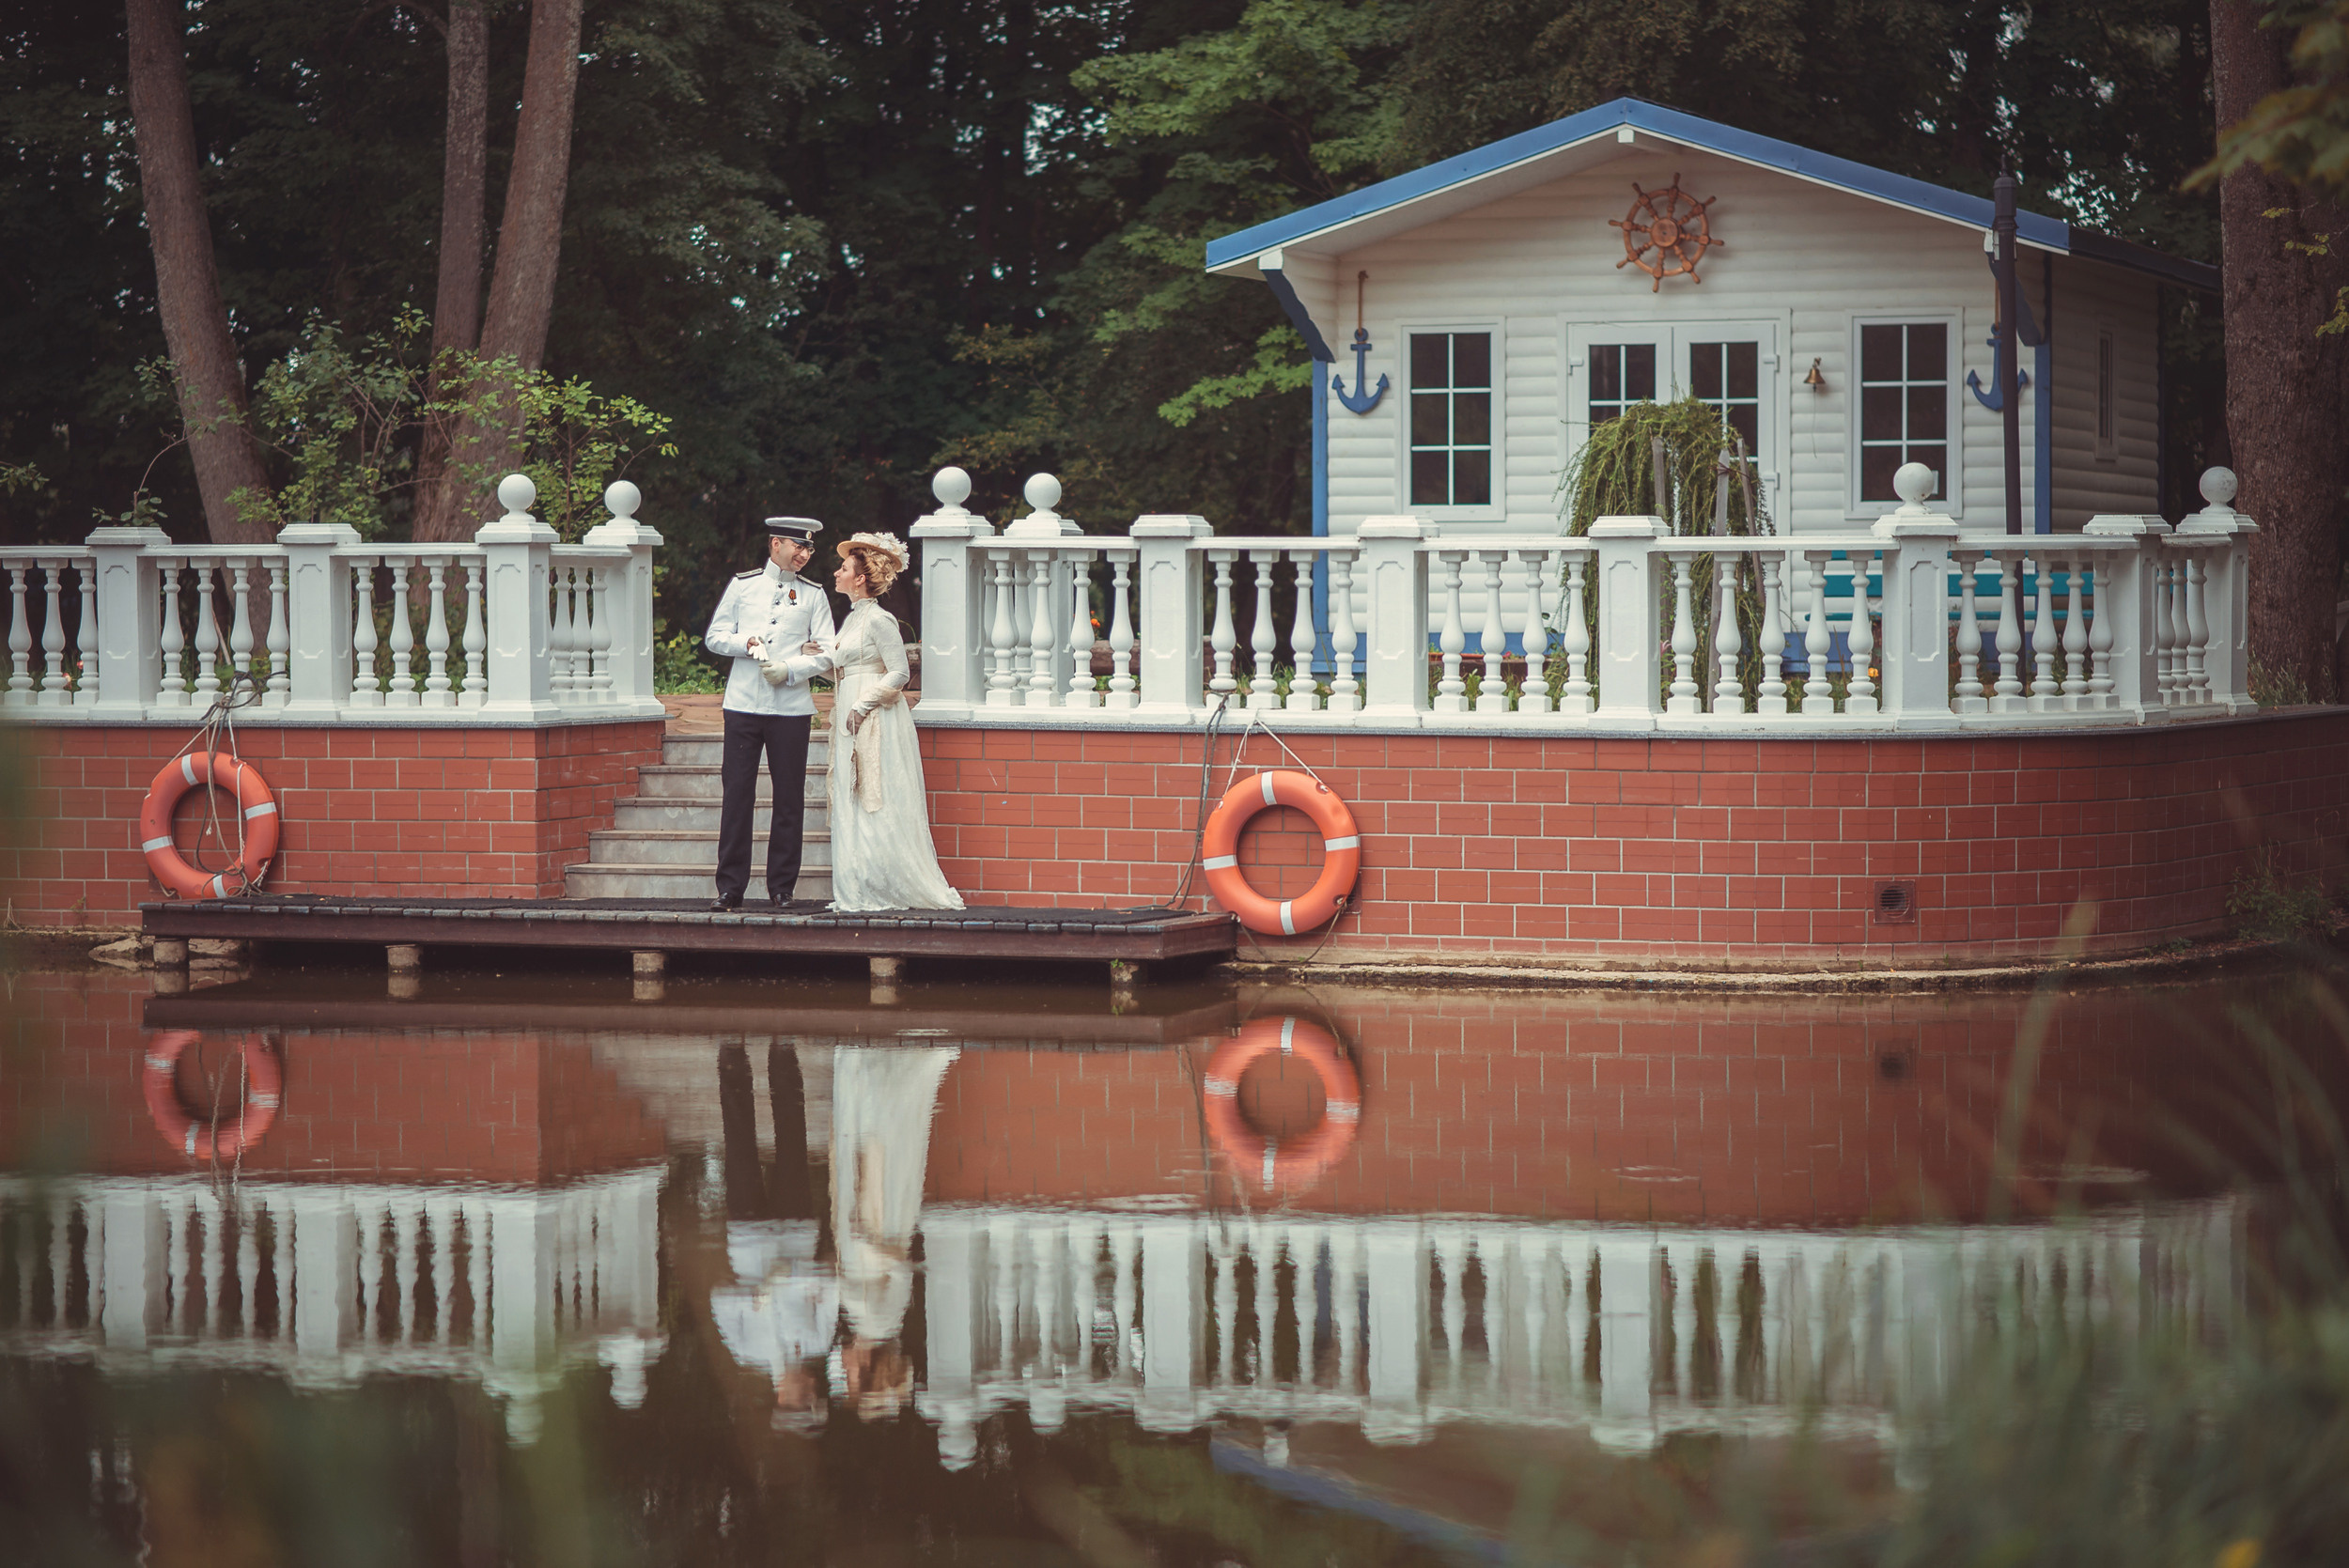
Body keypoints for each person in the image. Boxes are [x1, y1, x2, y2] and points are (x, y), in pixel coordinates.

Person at [818, 534, 966, 912]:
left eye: (844, 568)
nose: (837, 573)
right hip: (850, 705)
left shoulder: (880, 619)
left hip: (875, 715)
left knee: (874, 791)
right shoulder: (852, 619)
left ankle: (882, 885)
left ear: (861, 578)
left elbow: (899, 672)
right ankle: (855, 888)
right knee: (851, 793)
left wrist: (862, 705)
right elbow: (847, 668)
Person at [703, 517, 834, 911]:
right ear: (776, 543)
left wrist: (792, 669)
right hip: (743, 705)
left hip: (791, 708)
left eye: (809, 549)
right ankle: (730, 888)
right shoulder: (743, 585)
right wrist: (747, 643)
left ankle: (782, 887)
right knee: (738, 796)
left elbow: (829, 649)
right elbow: (715, 636)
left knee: (789, 799)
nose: (805, 555)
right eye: (798, 546)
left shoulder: (814, 595)